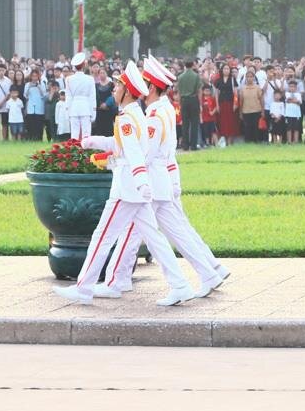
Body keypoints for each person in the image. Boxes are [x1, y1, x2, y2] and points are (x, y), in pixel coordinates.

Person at [54, 61, 195, 307]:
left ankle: (83, 288)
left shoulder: (128, 119)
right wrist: (92, 142)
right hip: (135, 189)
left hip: (128, 189)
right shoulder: (134, 115)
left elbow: (134, 154)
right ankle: (181, 285)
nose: (113, 90)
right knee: (154, 239)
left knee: (102, 236)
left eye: (118, 85)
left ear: (127, 91)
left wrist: (140, 182)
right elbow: (123, 146)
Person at [92, 54, 228, 299]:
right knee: (172, 231)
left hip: (152, 181)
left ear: (153, 87)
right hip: (159, 180)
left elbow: (147, 152)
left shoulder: (154, 115)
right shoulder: (161, 109)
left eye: (145, 83)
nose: (141, 89)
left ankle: (119, 280)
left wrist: (115, 161)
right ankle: (208, 272)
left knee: (139, 231)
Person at [64, 53, 96, 141]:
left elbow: (68, 97)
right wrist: (93, 111)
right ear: (84, 65)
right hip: (86, 107)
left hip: (74, 107)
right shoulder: (90, 79)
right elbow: (92, 97)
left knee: (74, 134)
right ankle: (86, 151)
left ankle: (74, 152)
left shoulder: (69, 79)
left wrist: (68, 111)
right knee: (86, 134)